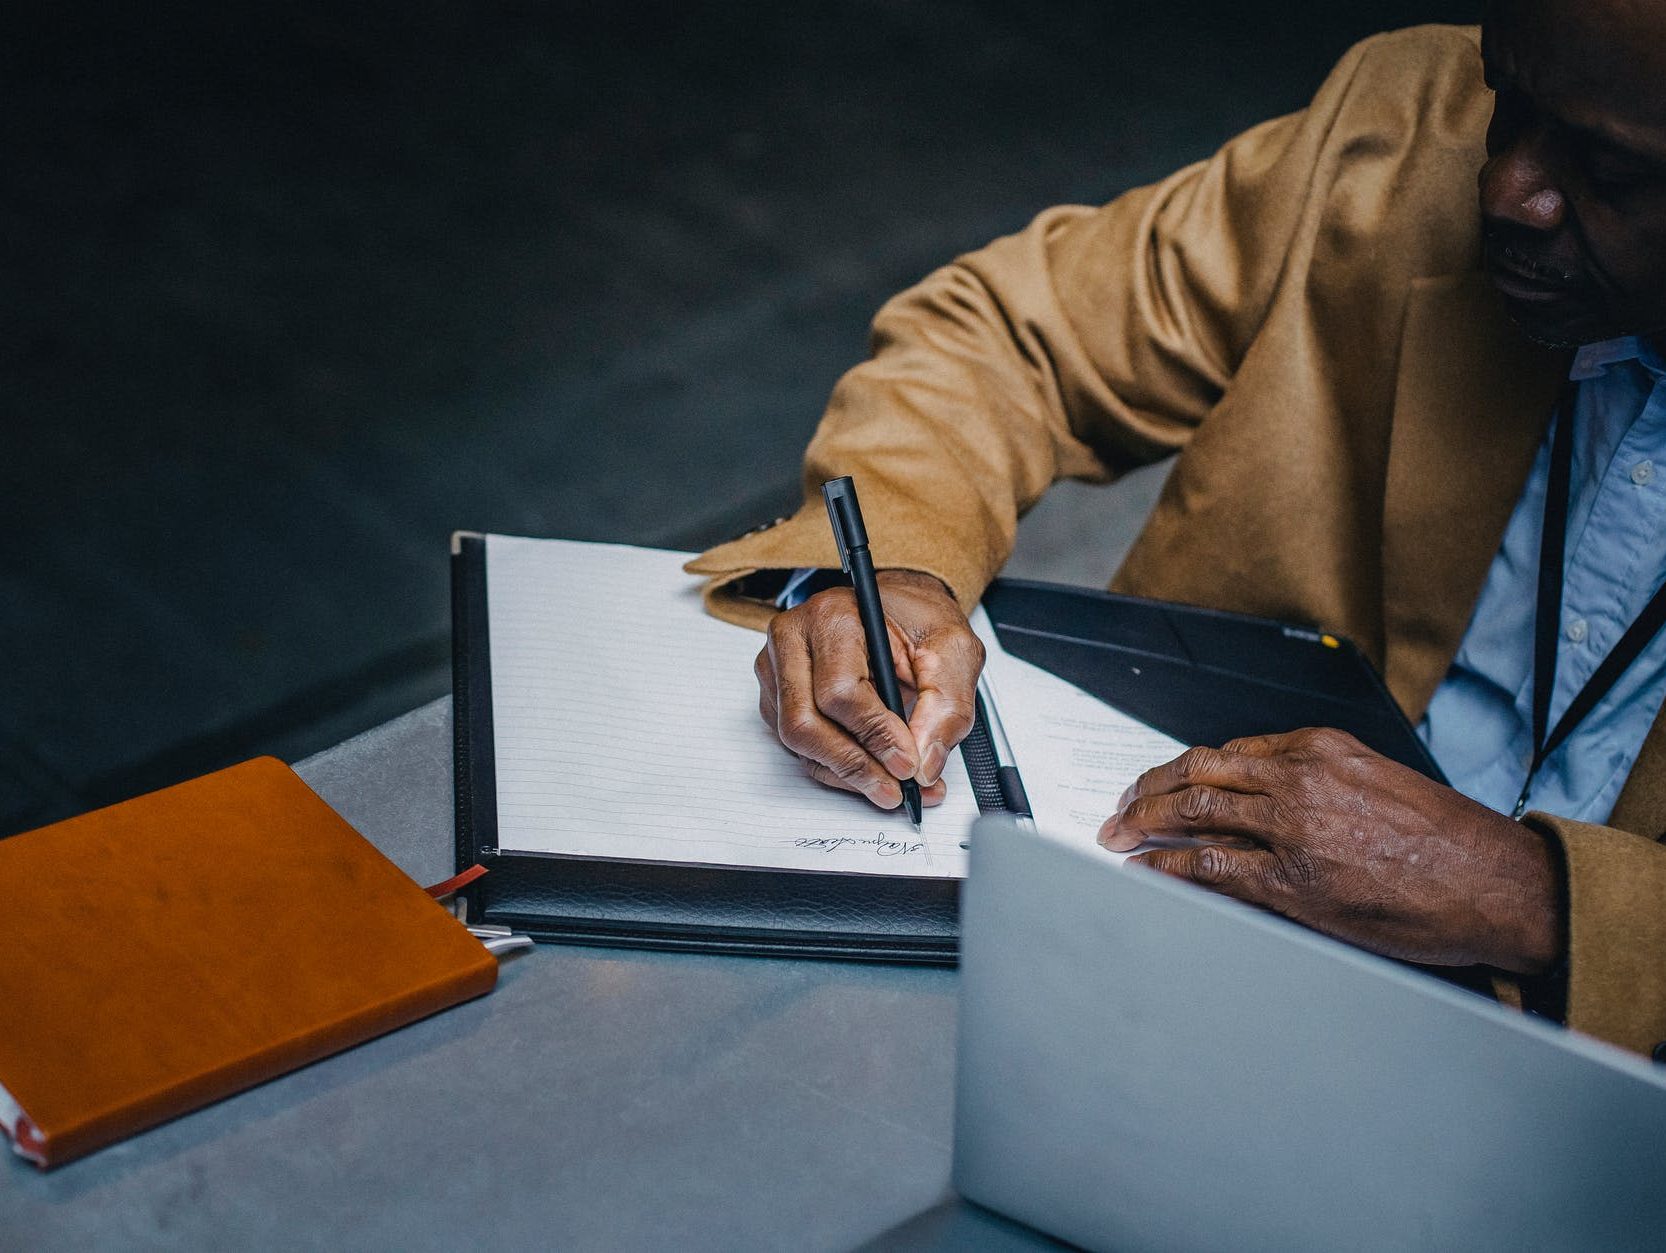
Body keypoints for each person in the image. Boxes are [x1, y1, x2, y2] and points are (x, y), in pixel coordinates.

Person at [685, 2, 1666, 1058]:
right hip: (1131, 945)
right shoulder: (1405, 125)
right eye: (1504, 103)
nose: (1502, 189)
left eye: (1607, 175)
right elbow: (1016, 330)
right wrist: (902, 570)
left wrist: (1548, 904)